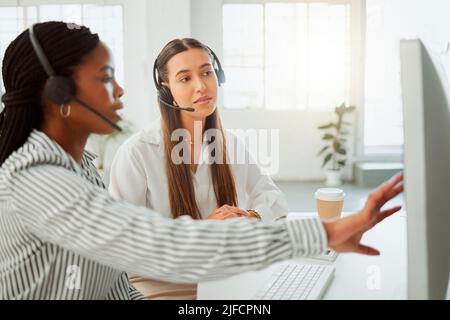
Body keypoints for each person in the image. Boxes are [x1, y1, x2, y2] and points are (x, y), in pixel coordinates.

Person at [0, 21, 403, 300]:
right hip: (173, 281)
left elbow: (113, 286)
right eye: (105, 78)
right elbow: (149, 247)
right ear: (58, 93)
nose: (120, 90)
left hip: (214, 278)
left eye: (207, 73)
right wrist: (324, 234)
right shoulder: (47, 178)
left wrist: (251, 223)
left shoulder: (82, 166)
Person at [108, 38, 289, 299]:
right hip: (161, 280)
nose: (201, 86)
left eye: (206, 72)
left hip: (220, 275)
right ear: (165, 88)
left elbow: (274, 199)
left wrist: (251, 217)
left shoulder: (230, 144)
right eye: (185, 78)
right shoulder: (137, 153)